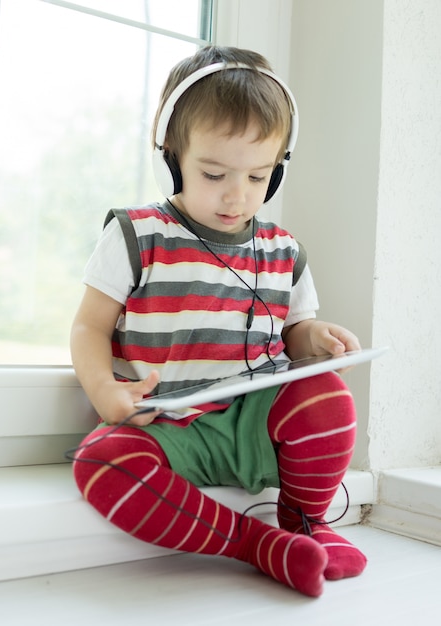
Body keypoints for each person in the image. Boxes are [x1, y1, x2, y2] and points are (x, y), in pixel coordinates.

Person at [69, 45, 366, 598]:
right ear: (172, 157)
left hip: (255, 422)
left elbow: (294, 333)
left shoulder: (284, 250)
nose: (237, 195)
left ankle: (305, 519)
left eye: (259, 176)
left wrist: (316, 339)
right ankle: (254, 544)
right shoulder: (137, 235)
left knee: (329, 398)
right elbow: (88, 327)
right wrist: (105, 389)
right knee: (101, 463)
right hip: (171, 427)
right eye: (214, 173)